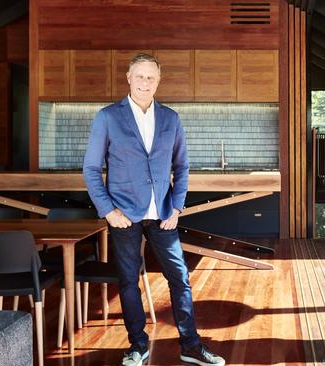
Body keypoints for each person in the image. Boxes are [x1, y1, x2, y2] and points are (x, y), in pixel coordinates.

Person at [83, 53, 225, 366]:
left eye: (151, 77)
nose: (145, 82)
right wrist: (108, 211)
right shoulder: (108, 117)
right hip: (123, 216)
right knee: (128, 281)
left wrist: (177, 207)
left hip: (163, 214)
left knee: (180, 277)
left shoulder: (171, 118)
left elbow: (182, 166)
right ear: (129, 79)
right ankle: (137, 346)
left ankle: (191, 345)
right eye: (140, 76)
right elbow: (91, 168)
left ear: (158, 81)